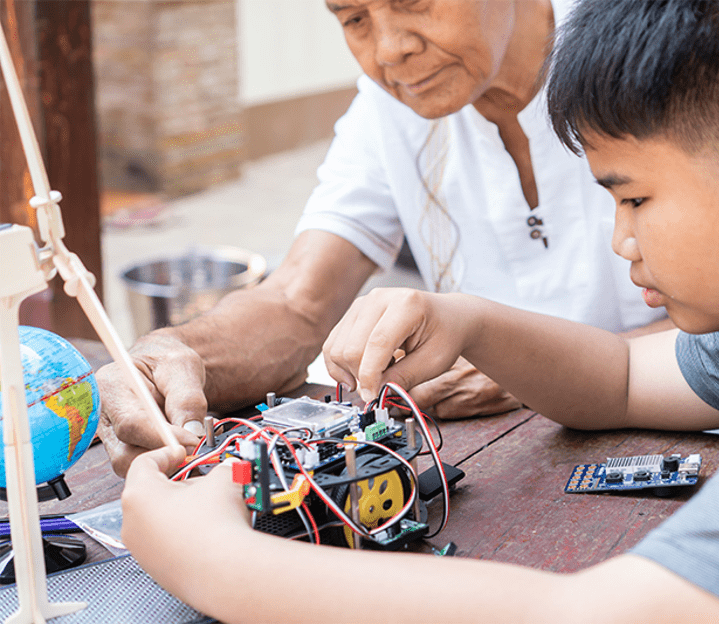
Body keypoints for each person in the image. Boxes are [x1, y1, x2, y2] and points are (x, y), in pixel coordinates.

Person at [120, 0, 719, 622]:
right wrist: (469, 321)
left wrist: (209, 559)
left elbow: (597, 615)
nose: (624, 239)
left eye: (636, 198)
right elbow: (618, 379)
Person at [96, 0, 668, 477]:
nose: (389, 49)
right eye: (353, 18)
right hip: (504, 465)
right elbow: (296, 303)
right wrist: (172, 358)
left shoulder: (656, 50)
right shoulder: (393, 108)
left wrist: (528, 359)